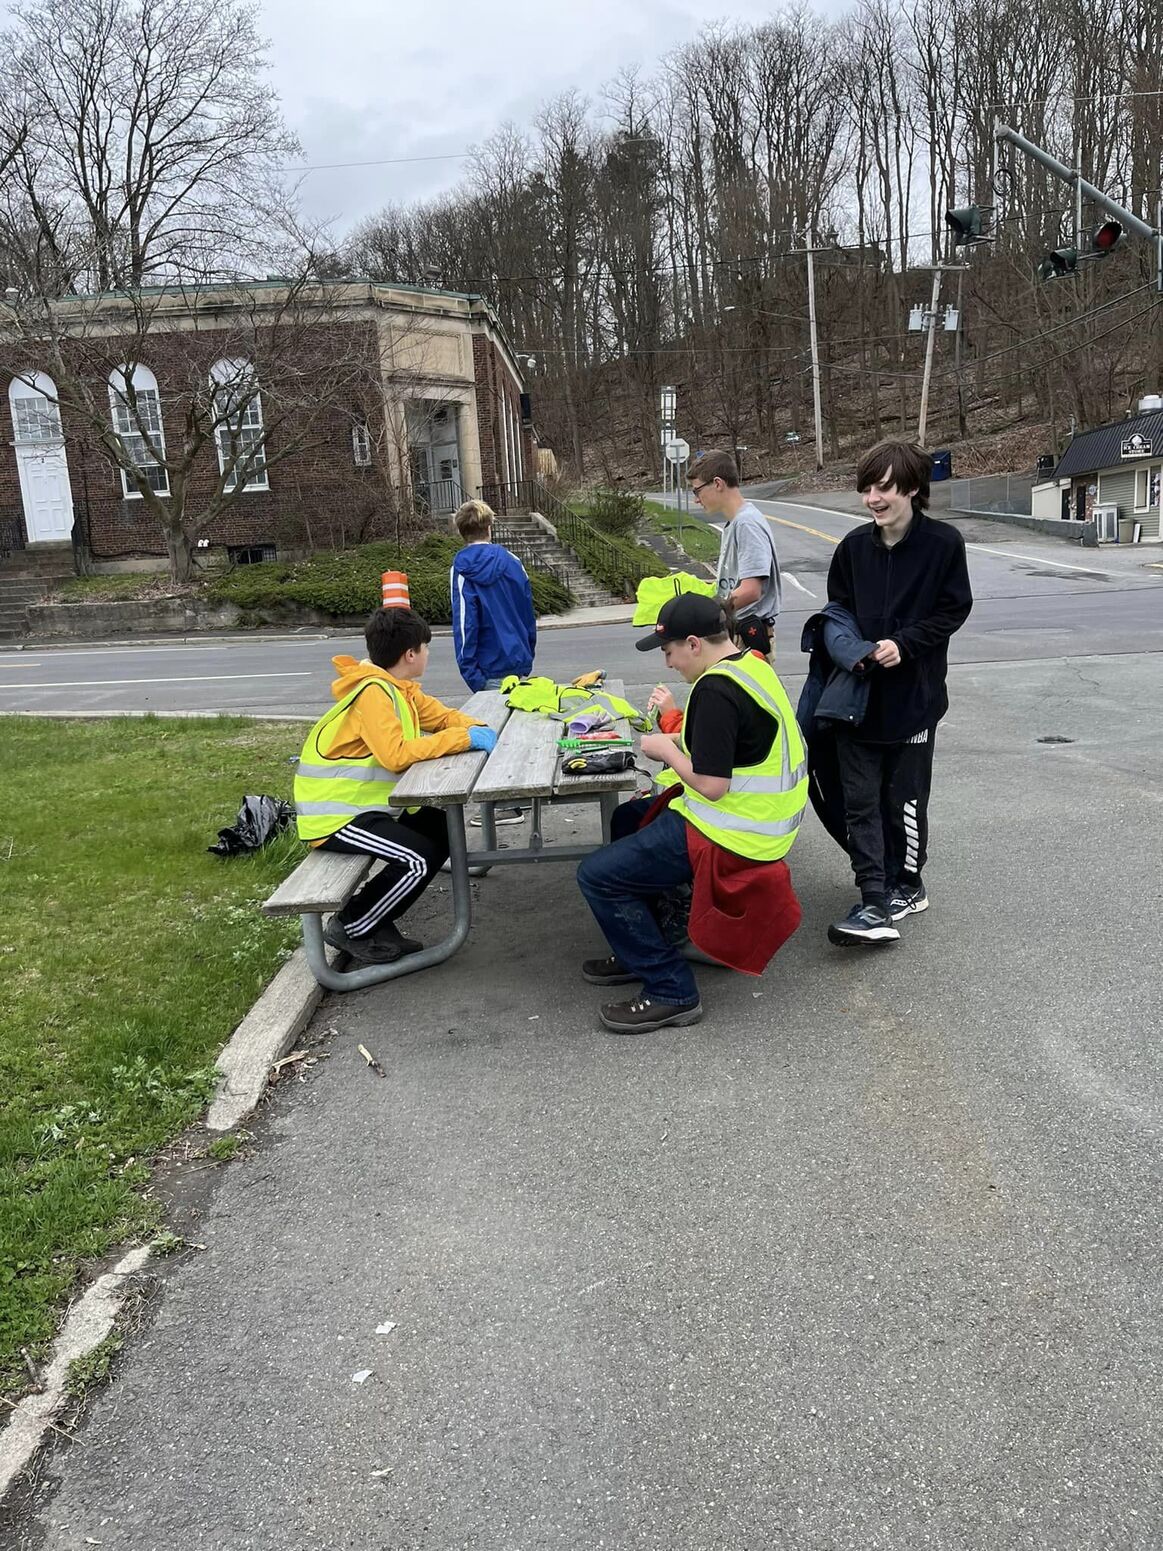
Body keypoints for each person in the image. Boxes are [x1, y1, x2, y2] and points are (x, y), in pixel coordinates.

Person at [576, 595, 807, 1035]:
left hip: (735, 831)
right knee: (627, 821)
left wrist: (665, 748)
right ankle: (639, 946)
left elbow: (712, 785)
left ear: (695, 644)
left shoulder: (715, 690)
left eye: (669, 651)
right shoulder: (752, 666)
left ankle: (670, 989)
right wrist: (677, 734)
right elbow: (726, 747)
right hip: (763, 820)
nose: (668, 663)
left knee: (596, 875)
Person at [824, 439, 972, 947]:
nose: (872, 498)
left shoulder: (943, 545)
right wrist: (849, 648)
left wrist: (904, 645)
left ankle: (907, 884)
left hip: (914, 701)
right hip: (857, 701)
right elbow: (836, 613)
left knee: (902, 801)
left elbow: (953, 610)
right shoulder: (851, 549)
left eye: (883, 487)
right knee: (859, 801)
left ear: (912, 487)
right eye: (866, 488)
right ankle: (872, 893)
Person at [293, 607, 496, 965]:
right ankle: (352, 924)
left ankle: (378, 918)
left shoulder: (398, 688)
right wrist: (463, 740)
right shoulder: (374, 694)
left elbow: (442, 715)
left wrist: (478, 726)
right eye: (426, 648)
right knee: (415, 859)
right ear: (410, 654)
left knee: (439, 825)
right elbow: (396, 755)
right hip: (335, 820)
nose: (429, 654)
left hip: (366, 809)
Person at [450, 497, 537, 825]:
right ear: (489, 526)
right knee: (517, 730)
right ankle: (521, 794)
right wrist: (527, 652)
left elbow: (464, 623)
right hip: (517, 658)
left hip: (486, 665)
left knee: (492, 735)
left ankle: (503, 806)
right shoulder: (513, 561)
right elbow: (527, 611)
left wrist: (469, 669)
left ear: (462, 532)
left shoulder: (461, 568)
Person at [687, 450, 782, 656]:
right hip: (736, 633)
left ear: (718, 484)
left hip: (748, 636)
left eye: (697, 491)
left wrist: (705, 615)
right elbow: (733, 584)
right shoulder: (736, 523)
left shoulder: (746, 523)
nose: (696, 499)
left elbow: (750, 590)